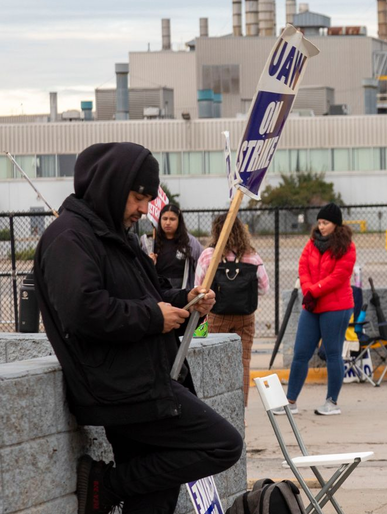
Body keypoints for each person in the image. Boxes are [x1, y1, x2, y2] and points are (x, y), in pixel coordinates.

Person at [33, 142, 241, 514]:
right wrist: (154, 316)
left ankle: (107, 488)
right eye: (138, 197)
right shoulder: (69, 237)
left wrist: (185, 300)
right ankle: (107, 485)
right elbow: (84, 310)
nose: (145, 209)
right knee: (222, 444)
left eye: (149, 199)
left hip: (142, 382)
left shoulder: (113, 235)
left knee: (155, 498)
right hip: (124, 391)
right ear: (112, 186)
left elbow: (149, 295)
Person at [284, 203, 357, 416]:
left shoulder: (347, 246)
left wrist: (314, 290)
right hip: (312, 305)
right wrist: (308, 289)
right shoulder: (312, 243)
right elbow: (303, 266)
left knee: (333, 353)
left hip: (336, 306)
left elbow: (339, 276)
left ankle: (332, 402)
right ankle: (290, 401)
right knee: (300, 353)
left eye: (325, 223)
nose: (321, 226)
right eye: (320, 222)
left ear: (336, 224)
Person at [195, 213, 269, 404]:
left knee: (215, 361)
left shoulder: (209, 255)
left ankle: (217, 406)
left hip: (217, 314)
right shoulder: (252, 255)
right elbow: (264, 287)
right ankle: (240, 408)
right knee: (243, 362)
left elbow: (198, 287)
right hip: (245, 316)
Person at [147, 203, 203, 290]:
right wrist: (148, 261)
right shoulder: (149, 242)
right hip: (157, 290)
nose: (168, 223)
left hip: (182, 290)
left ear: (179, 221)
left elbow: (202, 265)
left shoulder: (190, 242)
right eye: (164, 219)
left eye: (172, 219)